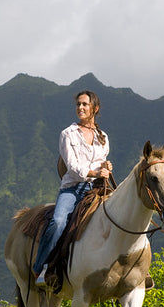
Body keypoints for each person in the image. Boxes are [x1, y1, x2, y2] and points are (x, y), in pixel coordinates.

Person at [33, 90, 112, 286]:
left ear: (95, 108)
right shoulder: (68, 134)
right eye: (78, 104)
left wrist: (106, 168)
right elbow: (73, 167)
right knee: (58, 222)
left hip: (97, 188)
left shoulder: (103, 136)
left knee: (123, 212)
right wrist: (95, 173)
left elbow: (100, 163)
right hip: (72, 189)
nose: (80, 108)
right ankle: (41, 268)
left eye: (85, 104)